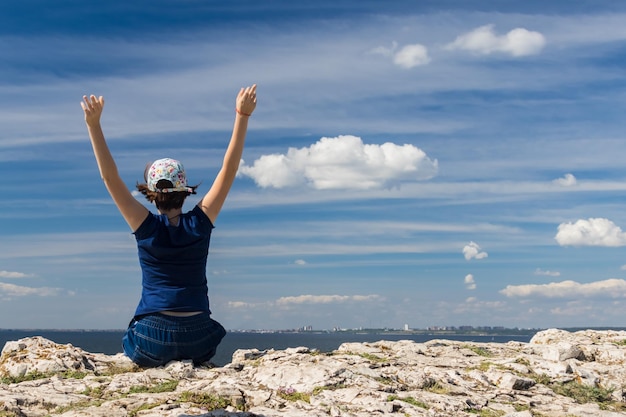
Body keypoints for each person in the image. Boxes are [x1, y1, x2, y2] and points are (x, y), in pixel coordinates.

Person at [81, 84, 257, 367]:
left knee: (131, 336)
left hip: (152, 335)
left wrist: (93, 125)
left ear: (151, 194)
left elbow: (109, 177)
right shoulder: (201, 221)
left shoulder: (144, 225)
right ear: (184, 189)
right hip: (198, 336)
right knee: (208, 332)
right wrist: (242, 115)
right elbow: (229, 169)